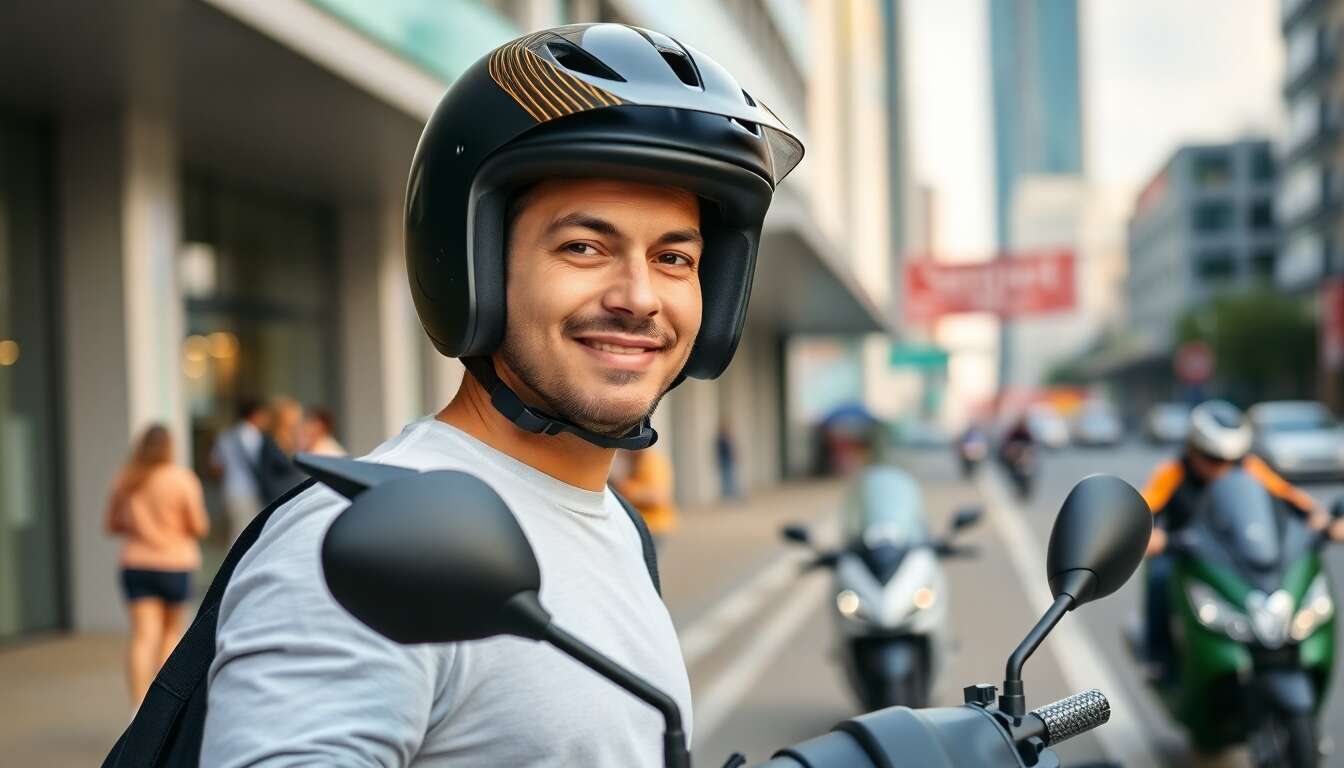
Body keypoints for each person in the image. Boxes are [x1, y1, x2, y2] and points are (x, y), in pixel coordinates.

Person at [199, 24, 802, 767]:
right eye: (584, 246)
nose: (640, 298)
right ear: (473, 267)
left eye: (674, 257)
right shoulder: (361, 546)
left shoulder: (616, 526)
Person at [1139, 400, 1344, 680]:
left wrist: (1322, 520)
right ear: (1192, 449)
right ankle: (1158, 656)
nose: (1222, 469)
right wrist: (1148, 536)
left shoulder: (1250, 467)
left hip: (1237, 556)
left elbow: (1291, 497)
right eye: (1213, 459)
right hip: (1190, 554)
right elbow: (1142, 509)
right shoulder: (1172, 472)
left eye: (1231, 461)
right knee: (1159, 577)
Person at [104, 424, 209, 710]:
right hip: (175, 564)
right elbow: (200, 526)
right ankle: (162, 708)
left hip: (136, 563)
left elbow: (111, 524)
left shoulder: (127, 480)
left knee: (142, 636)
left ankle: (137, 708)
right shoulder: (182, 479)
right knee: (171, 634)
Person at [208, 400, 269, 543]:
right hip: (253, 490)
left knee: (236, 532)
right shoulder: (258, 437)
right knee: (253, 533)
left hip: (231, 489)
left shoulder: (225, 436)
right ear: (256, 415)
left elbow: (216, 467)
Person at [613, 448, 678, 547]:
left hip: (653, 526)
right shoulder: (633, 462)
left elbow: (658, 497)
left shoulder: (652, 462)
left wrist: (626, 489)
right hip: (639, 525)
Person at [256, 396, 307, 504]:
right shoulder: (270, 440)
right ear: (282, 416)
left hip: (294, 498)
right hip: (280, 500)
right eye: (293, 413)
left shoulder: (292, 438)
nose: (297, 417)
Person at [715, 420, 739, 499]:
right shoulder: (722, 437)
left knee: (729, 478)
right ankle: (729, 495)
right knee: (728, 478)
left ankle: (730, 494)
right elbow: (722, 450)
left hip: (728, 460)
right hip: (725, 460)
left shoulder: (725, 437)